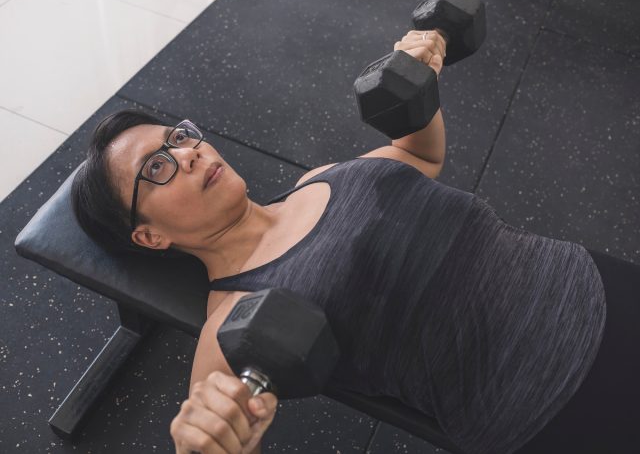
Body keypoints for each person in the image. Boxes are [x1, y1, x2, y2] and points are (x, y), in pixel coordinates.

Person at [70, 30, 611, 454]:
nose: (188, 153)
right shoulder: (230, 323)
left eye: (179, 137)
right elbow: (226, 432)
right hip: (551, 398)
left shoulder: (322, 177)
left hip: (588, 279)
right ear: (149, 234)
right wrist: (211, 441)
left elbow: (420, 158)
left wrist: (418, 83)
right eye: (158, 167)